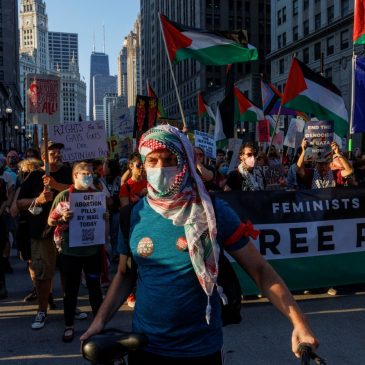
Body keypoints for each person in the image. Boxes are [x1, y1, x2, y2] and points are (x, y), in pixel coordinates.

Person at [81, 125, 318, 364]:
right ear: (143, 164)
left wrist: (300, 323)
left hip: (201, 349)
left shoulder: (212, 211)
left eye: (170, 159)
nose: (161, 168)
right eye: (152, 161)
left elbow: (260, 270)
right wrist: (99, 321)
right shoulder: (132, 216)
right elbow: (124, 274)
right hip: (145, 346)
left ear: (184, 161)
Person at [17, 141, 72, 329]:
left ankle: (70, 307)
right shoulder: (34, 175)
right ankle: (42, 310)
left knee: (68, 271)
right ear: (43, 156)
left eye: (58, 150)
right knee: (43, 274)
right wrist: (38, 200)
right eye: (52, 151)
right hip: (42, 232)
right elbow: (19, 203)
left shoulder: (68, 172)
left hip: (68, 232)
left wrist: (56, 185)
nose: (57, 153)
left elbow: (80, 192)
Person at [48, 162, 104, 343]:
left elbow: (103, 217)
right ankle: (69, 325)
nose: (88, 176)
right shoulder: (65, 196)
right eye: (84, 173)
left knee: (95, 289)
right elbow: (50, 220)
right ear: (75, 176)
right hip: (70, 252)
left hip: (93, 250)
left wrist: (105, 217)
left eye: (90, 173)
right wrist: (62, 218)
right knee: (71, 291)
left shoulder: (97, 195)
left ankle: (97, 324)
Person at [119, 152, 147, 308]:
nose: (141, 168)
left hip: (147, 227)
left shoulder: (149, 184)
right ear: (131, 167)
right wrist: (136, 200)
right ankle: (130, 293)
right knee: (130, 264)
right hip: (132, 227)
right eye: (138, 165)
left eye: (143, 164)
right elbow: (125, 210)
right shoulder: (126, 186)